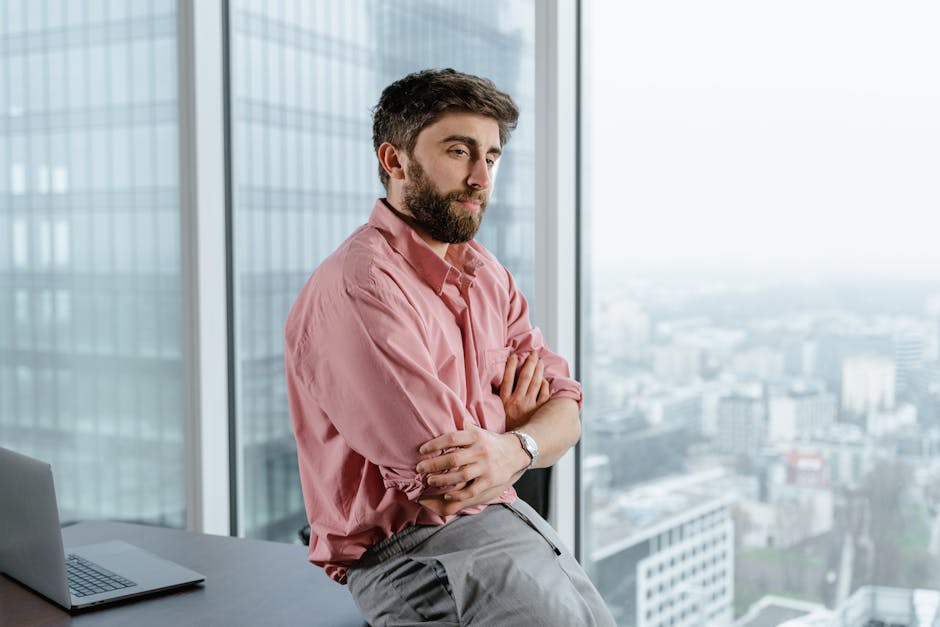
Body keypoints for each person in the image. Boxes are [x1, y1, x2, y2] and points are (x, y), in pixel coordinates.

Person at [285, 68, 615, 626]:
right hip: (419, 559)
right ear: (396, 162)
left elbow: (568, 410)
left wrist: (511, 448)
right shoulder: (360, 286)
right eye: (459, 151)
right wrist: (521, 431)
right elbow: (446, 485)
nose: (481, 177)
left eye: (491, 156)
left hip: (513, 527)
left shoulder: (487, 275)